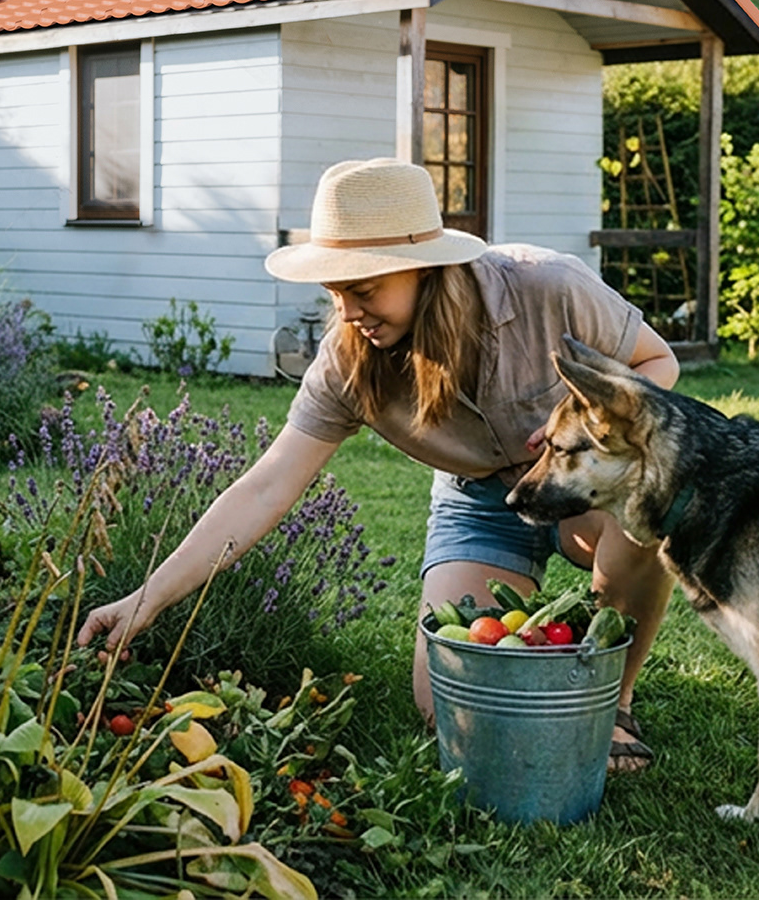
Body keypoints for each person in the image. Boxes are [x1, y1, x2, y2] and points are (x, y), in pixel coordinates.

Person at [77, 158, 680, 771]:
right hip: (478, 500)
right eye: (335, 292)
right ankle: (549, 670)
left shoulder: (548, 289)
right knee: (442, 705)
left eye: (364, 290)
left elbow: (660, 366)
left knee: (646, 513)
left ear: (424, 270)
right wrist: (146, 599)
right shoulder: (347, 361)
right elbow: (266, 487)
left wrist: (578, 429)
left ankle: (615, 700)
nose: (348, 313)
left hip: (578, 484)